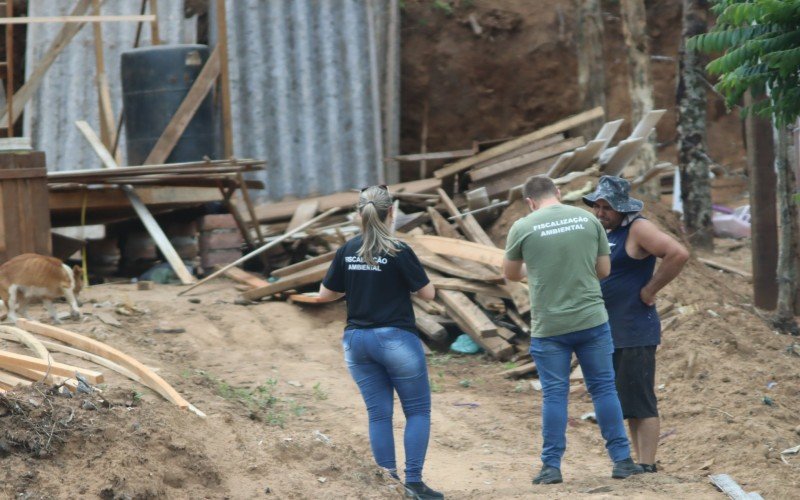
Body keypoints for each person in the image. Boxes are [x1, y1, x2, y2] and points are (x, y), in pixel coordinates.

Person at [503, 175, 643, 485]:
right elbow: (604, 270)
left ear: (530, 201)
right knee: (604, 389)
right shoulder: (587, 219)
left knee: (554, 395)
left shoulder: (523, 227)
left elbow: (511, 273)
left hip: (549, 325)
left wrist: (536, 268)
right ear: (559, 193)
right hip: (591, 320)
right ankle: (621, 461)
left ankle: (551, 467)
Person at [318, 185, 443, 500]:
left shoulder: (347, 250)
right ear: (391, 212)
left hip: (356, 342)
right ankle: (413, 483)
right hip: (396, 339)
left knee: (378, 414)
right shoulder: (399, 250)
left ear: (359, 214)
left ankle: (389, 486)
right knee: (416, 412)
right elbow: (427, 293)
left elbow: (325, 295)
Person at [583, 175, 689, 473]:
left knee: (640, 399)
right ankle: (641, 461)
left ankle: (647, 462)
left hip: (633, 329)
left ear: (622, 208)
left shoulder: (637, 228)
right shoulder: (607, 232)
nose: (600, 212)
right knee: (626, 401)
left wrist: (650, 290)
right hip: (611, 330)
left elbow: (678, 253)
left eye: (607, 207)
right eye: (597, 206)